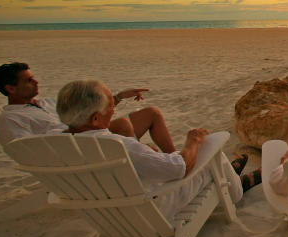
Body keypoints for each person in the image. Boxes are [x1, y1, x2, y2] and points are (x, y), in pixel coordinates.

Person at [56, 80, 243, 217]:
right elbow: (179, 168)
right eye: (111, 106)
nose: (113, 110)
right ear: (95, 119)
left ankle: (232, 179)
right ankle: (238, 191)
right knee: (211, 149)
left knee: (156, 152)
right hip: (150, 209)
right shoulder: (118, 146)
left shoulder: (56, 145)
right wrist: (191, 142)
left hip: (104, 213)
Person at [0, 62, 176, 151]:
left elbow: (86, 114)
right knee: (124, 126)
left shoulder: (46, 103)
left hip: (89, 135)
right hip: (77, 150)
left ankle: (171, 157)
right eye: (29, 80)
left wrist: (118, 97)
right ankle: (141, 162)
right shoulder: (11, 119)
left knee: (151, 113)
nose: (36, 82)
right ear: (10, 88)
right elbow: (27, 152)